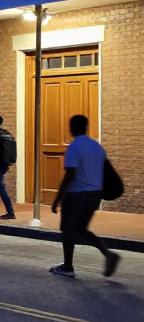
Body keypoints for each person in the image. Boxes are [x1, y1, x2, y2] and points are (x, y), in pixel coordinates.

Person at [50, 114, 121, 279]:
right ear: (86, 127)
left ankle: (67, 266)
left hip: (77, 194)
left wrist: (57, 199)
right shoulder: (96, 146)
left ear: (72, 128)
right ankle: (108, 253)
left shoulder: (74, 147)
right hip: (95, 194)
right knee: (81, 229)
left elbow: (70, 175)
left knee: (68, 230)